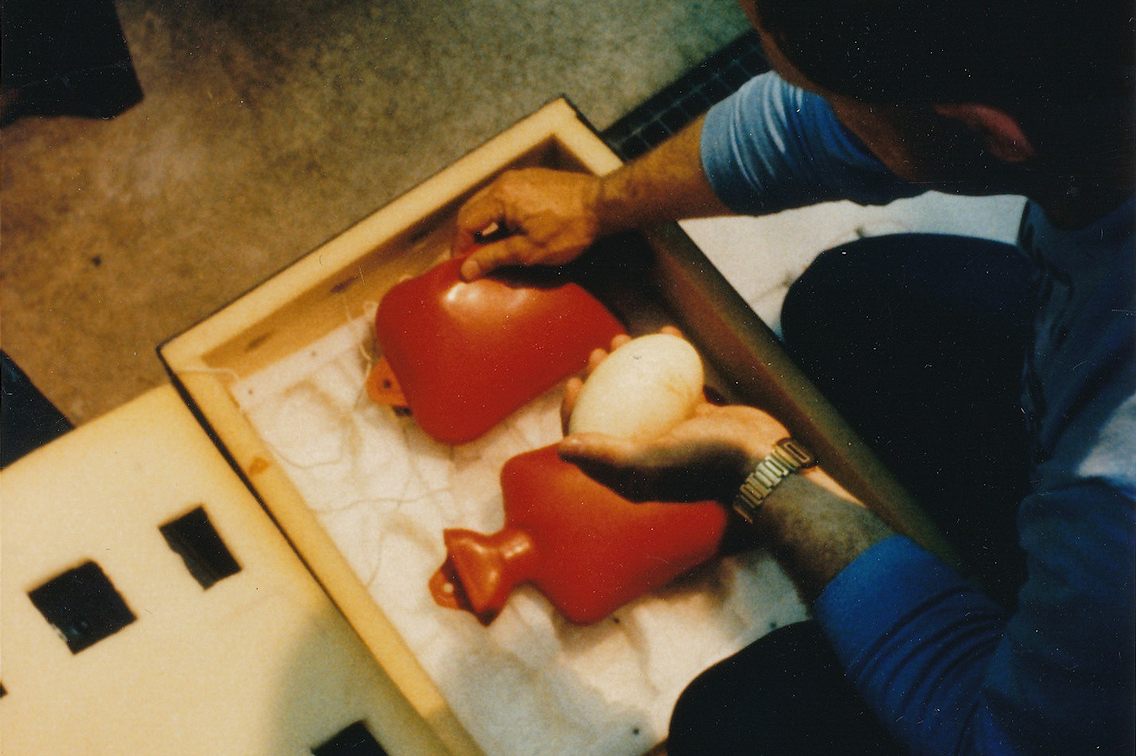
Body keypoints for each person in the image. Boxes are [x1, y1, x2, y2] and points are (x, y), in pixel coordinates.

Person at [452, 0, 1135, 754]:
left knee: (738, 723)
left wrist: (760, 467)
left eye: (837, 95)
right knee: (852, 308)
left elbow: (998, 744)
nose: (820, 110)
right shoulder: (1085, 84)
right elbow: (835, 129)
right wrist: (600, 200)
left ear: (989, 132)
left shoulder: (1117, 495)